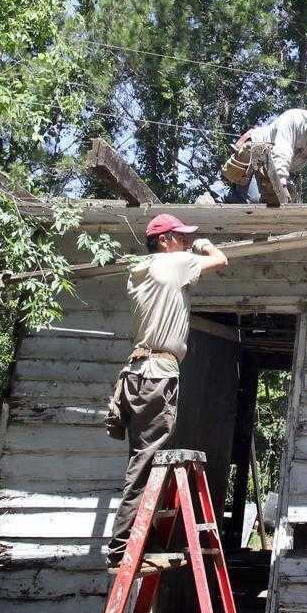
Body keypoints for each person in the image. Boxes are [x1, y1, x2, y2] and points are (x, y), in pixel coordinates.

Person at [105, 213, 229, 565]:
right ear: (164, 240)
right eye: (181, 237)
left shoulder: (141, 269)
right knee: (144, 464)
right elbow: (221, 261)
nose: (187, 242)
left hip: (135, 374)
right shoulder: (172, 263)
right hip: (157, 375)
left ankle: (136, 543)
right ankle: (122, 550)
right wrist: (204, 244)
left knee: (141, 459)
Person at [222, 93, 307, 204]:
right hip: (256, 156)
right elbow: (282, 153)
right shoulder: (294, 119)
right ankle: (219, 194)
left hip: (272, 168)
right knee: (255, 200)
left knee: (279, 204)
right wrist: (281, 184)